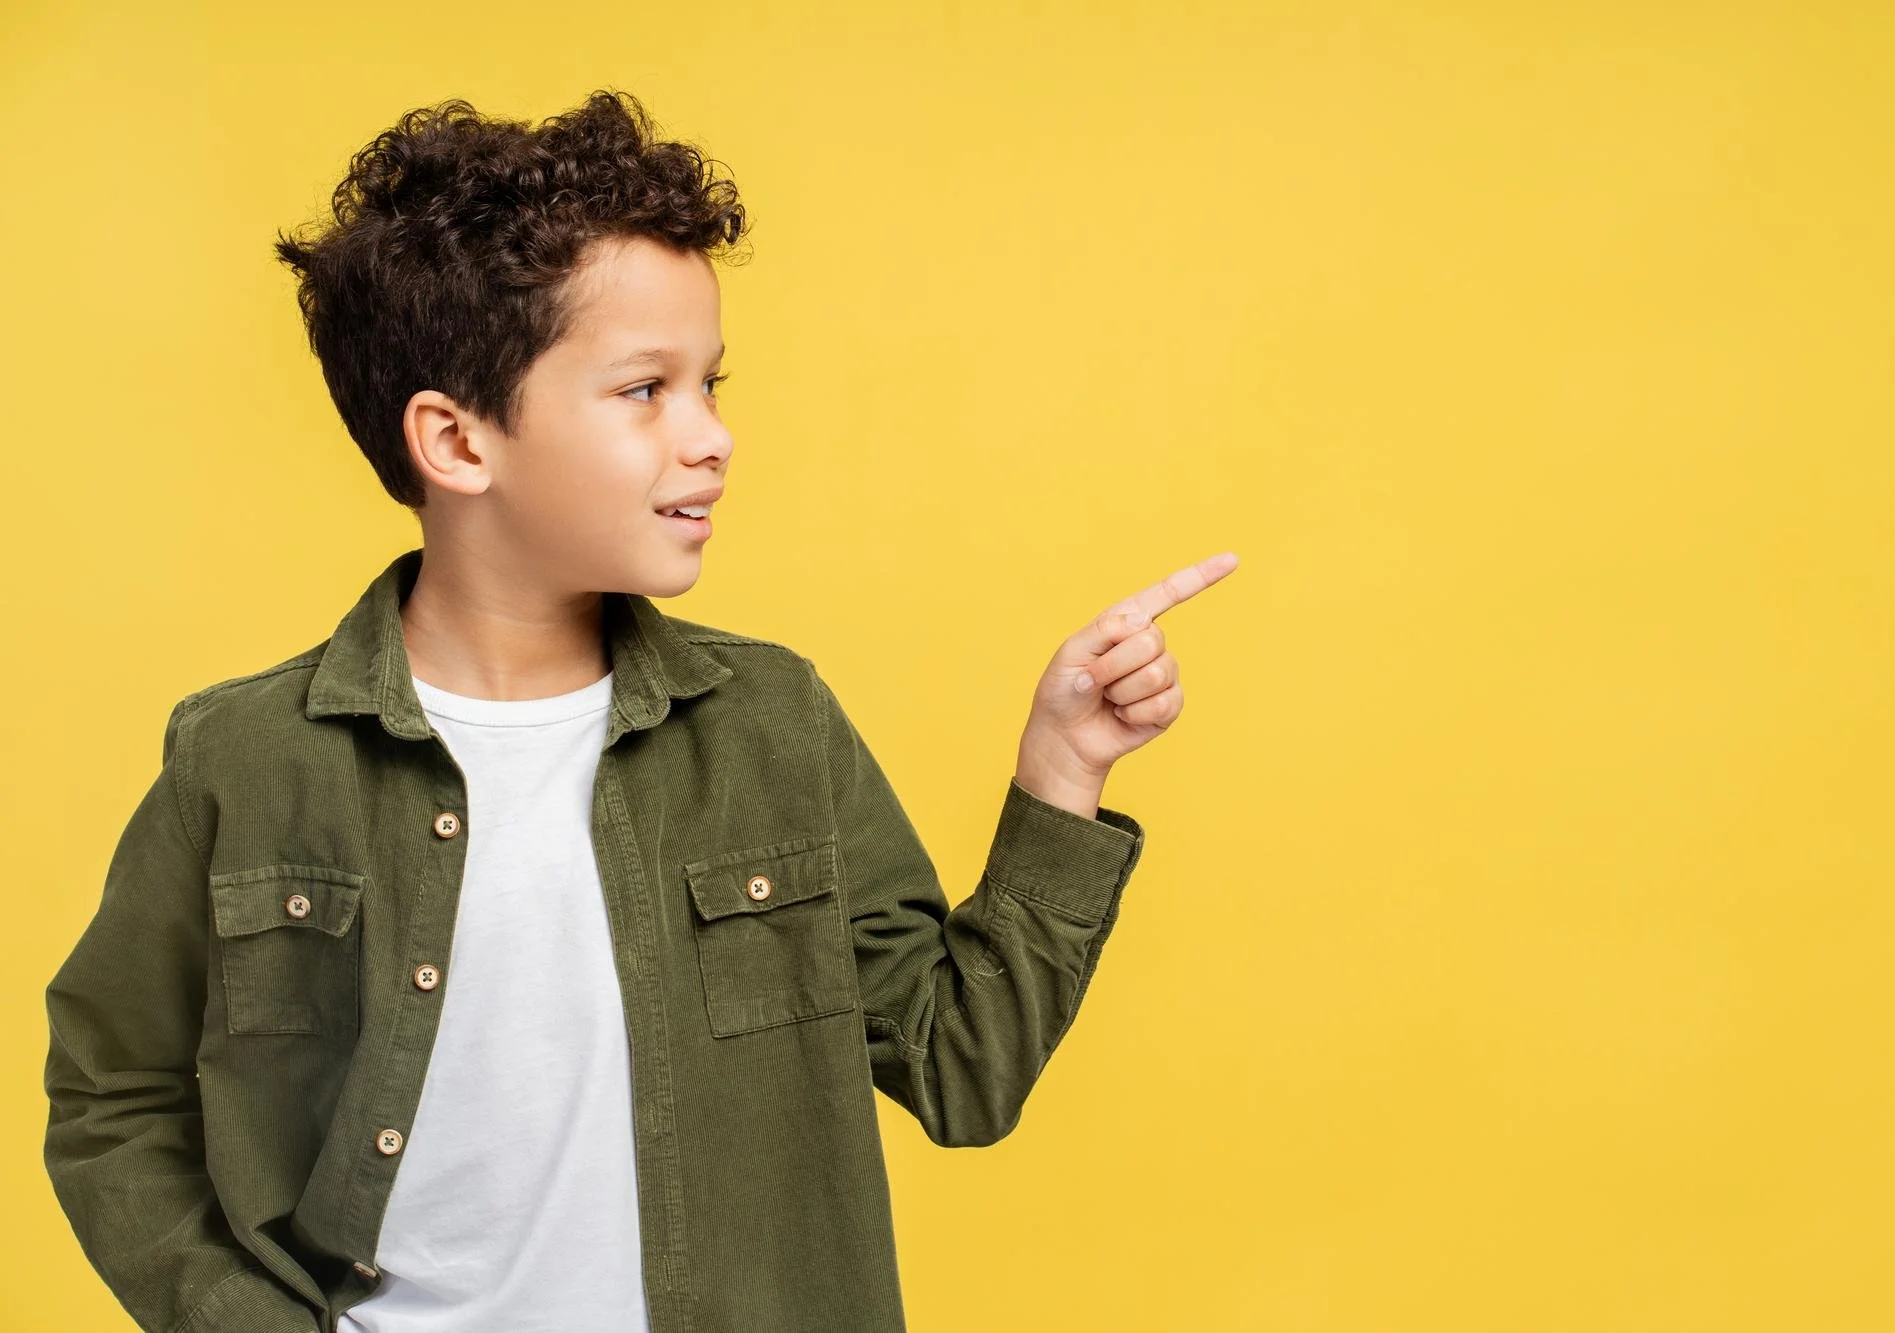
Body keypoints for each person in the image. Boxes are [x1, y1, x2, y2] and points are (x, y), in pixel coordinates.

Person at [42, 88, 1237, 1332]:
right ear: (456, 442)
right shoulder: (242, 757)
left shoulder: (771, 721)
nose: (712, 436)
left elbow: (960, 1066)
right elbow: (112, 1098)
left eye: (710, 383)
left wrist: (1063, 769)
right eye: (643, 391)